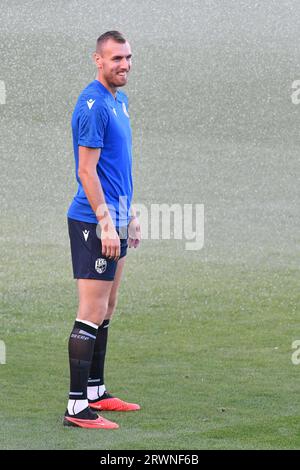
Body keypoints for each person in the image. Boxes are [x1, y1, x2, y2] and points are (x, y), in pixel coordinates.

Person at [64, 31, 141, 429]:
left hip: (116, 220)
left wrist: (130, 215)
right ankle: (76, 407)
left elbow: (118, 166)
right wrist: (108, 223)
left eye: (128, 57)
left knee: (107, 308)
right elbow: (86, 171)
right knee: (91, 311)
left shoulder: (120, 101)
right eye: (116, 59)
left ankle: (96, 390)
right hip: (94, 222)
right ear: (97, 59)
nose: (124, 65)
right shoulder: (92, 105)